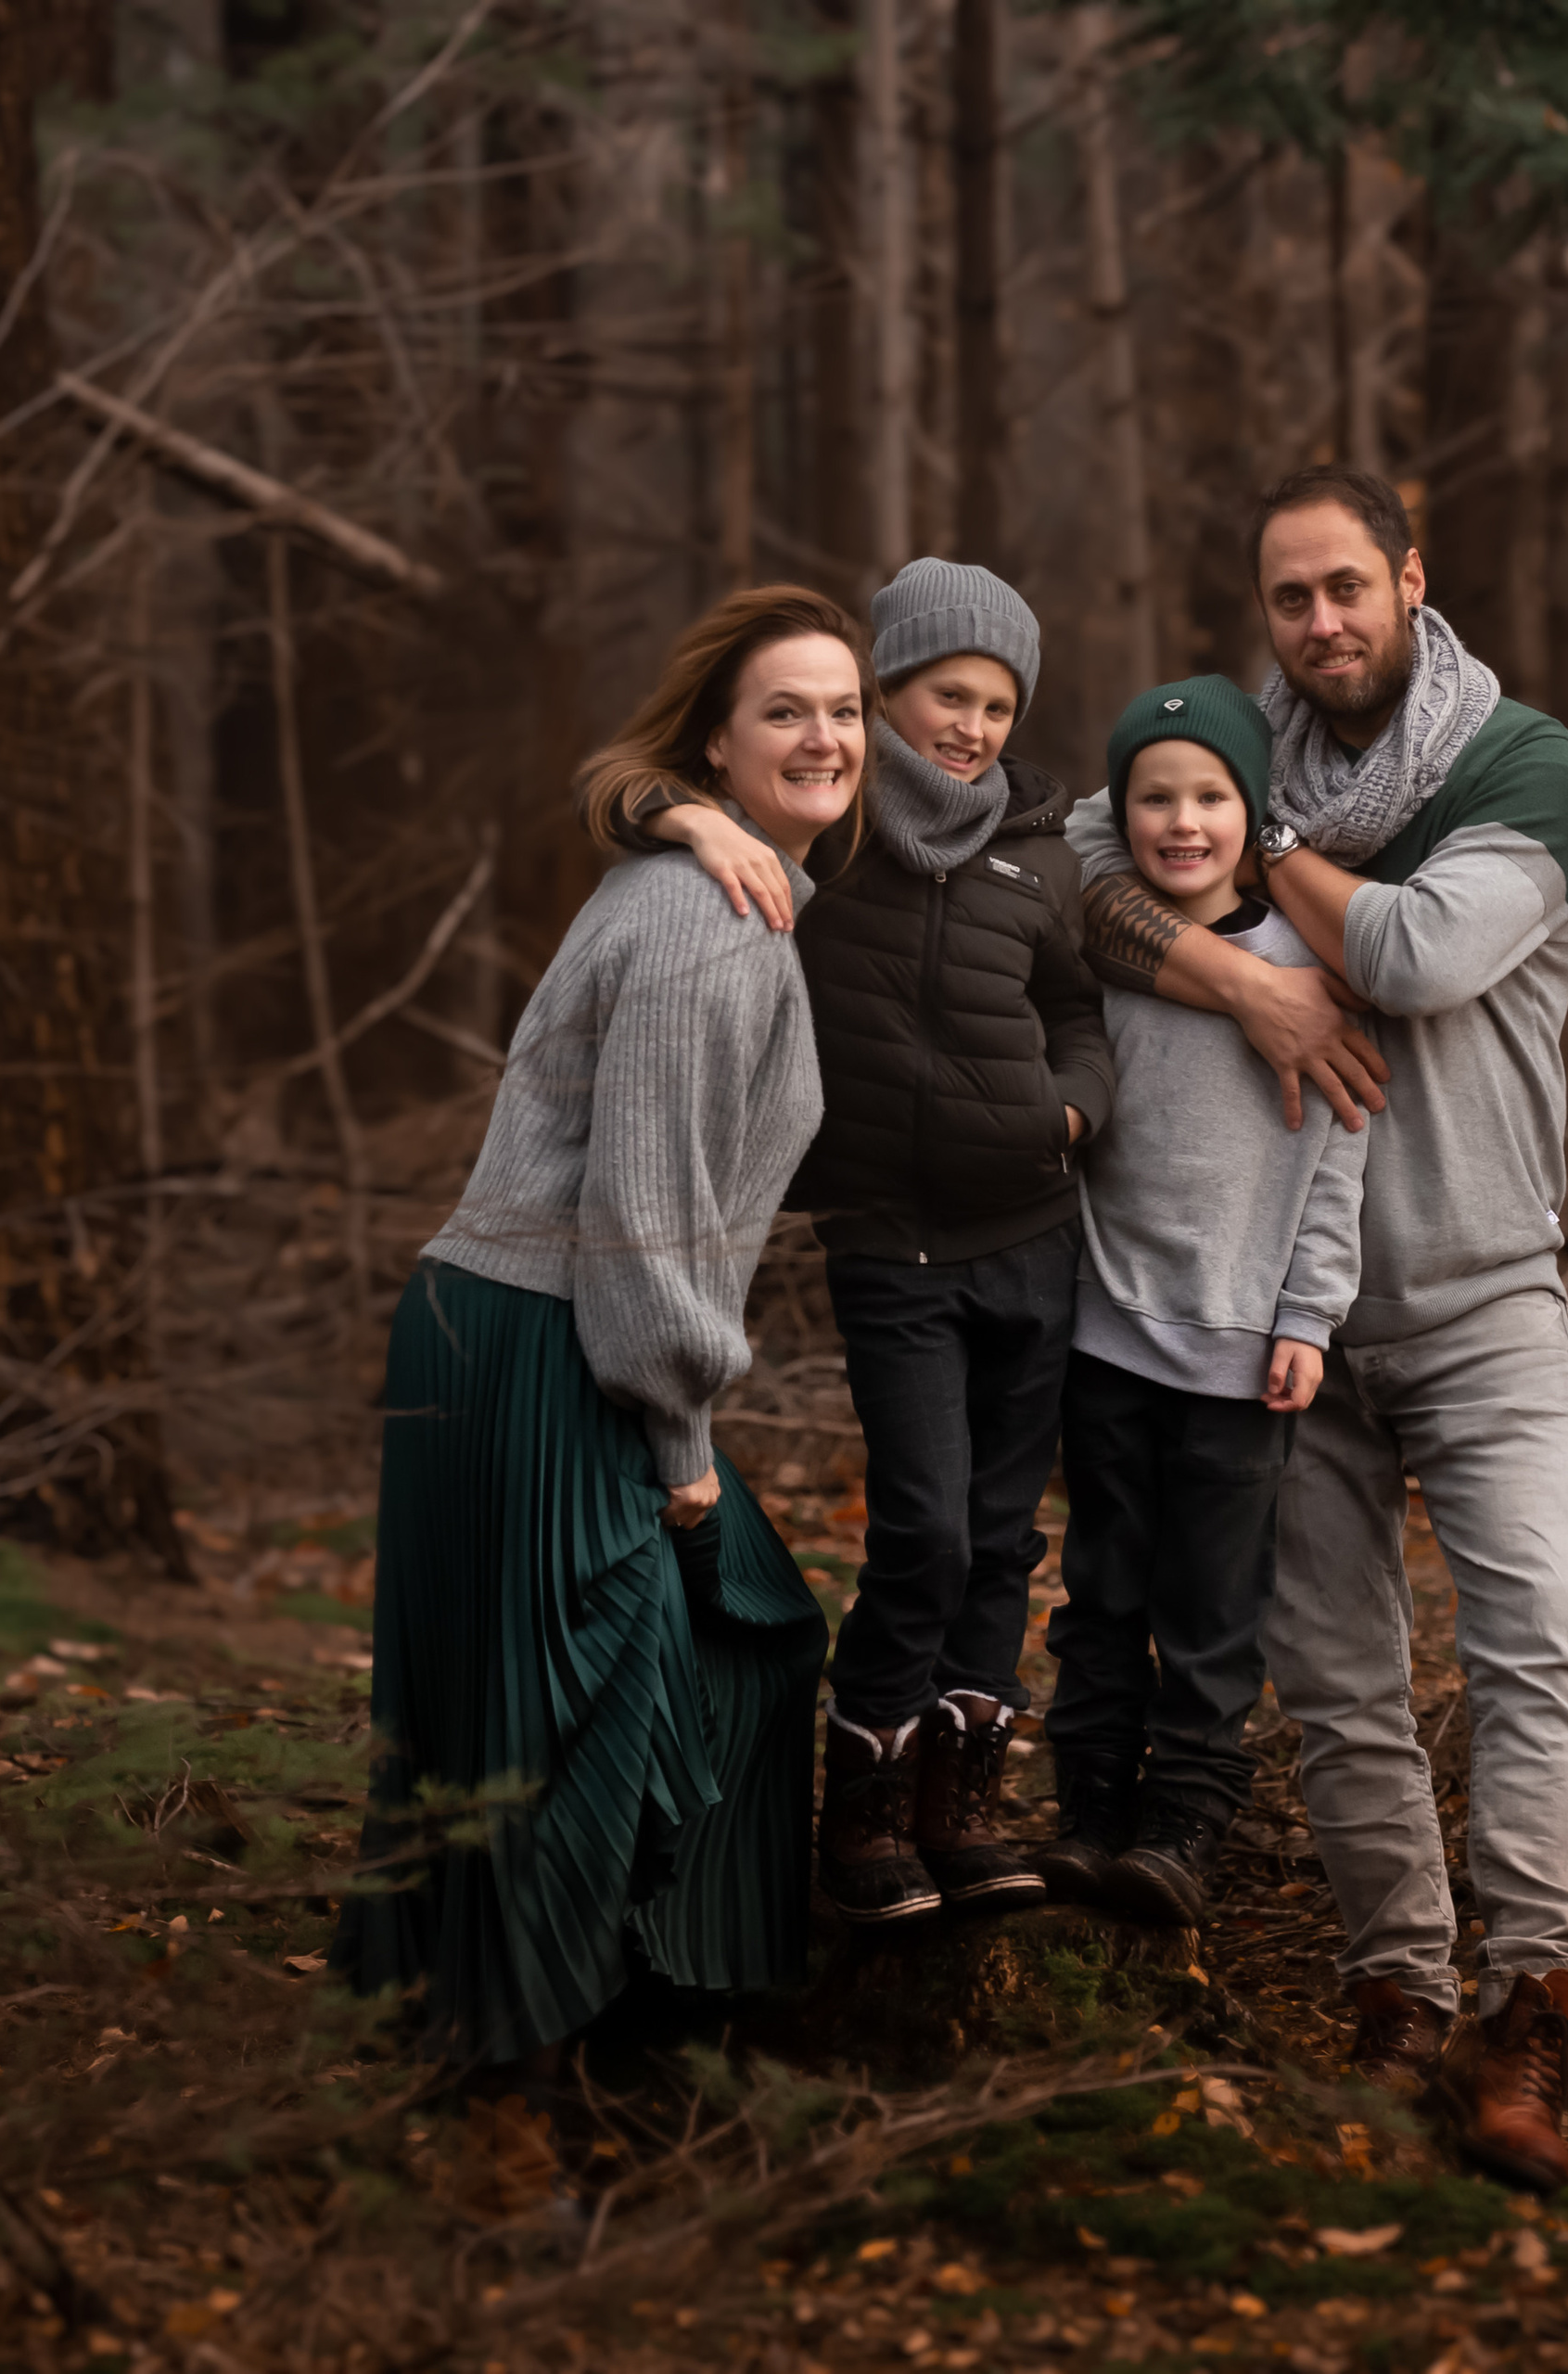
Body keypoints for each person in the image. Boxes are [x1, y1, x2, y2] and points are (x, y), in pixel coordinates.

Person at [1065, 467, 1568, 2191]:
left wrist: (1273, 854)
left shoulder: (1520, 765)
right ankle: (1399, 1990)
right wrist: (1231, 978)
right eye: (1290, 601)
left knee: (1533, 1639)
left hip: (1485, 1293)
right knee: (1343, 1686)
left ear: (1411, 582)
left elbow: (1421, 955)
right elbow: (1078, 868)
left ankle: (1531, 2001)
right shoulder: (1221, 750)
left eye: (1347, 590)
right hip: (1269, 1322)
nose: (1321, 626)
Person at [334, 584, 866, 2072]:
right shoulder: (716, 926)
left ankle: (586, 2045)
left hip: (486, 1327)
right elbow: (639, 1210)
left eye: (845, 709)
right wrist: (682, 1436)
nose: (826, 736)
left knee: (606, 1695)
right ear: (717, 745)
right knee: (599, 1720)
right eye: (786, 710)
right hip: (544, 1344)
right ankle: (537, 2100)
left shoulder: (710, 888)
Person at [628, 560, 1115, 1929]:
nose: (971, 727)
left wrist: (1077, 1107)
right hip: (892, 1248)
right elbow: (628, 783)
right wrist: (680, 815)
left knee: (1008, 1537)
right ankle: (868, 1795)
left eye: (998, 705)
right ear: (883, 692)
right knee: (926, 1527)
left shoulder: (1045, 852)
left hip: (1036, 1236)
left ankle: (964, 1795)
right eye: (945, 695)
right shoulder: (823, 838)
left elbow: (1079, 1010)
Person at [1036, 677, 1367, 1930]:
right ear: (1118, 814)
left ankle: (1184, 1825)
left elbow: (1340, 1163)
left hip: (1241, 1349)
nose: (1182, 822)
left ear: (1254, 811)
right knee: (1104, 1588)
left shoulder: (1302, 968)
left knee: (1215, 1607)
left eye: (1211, 796)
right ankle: (1087, 1813)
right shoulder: (1106, 955)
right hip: (1106, 1332)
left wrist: (1306, 1318)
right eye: (1154, 798)